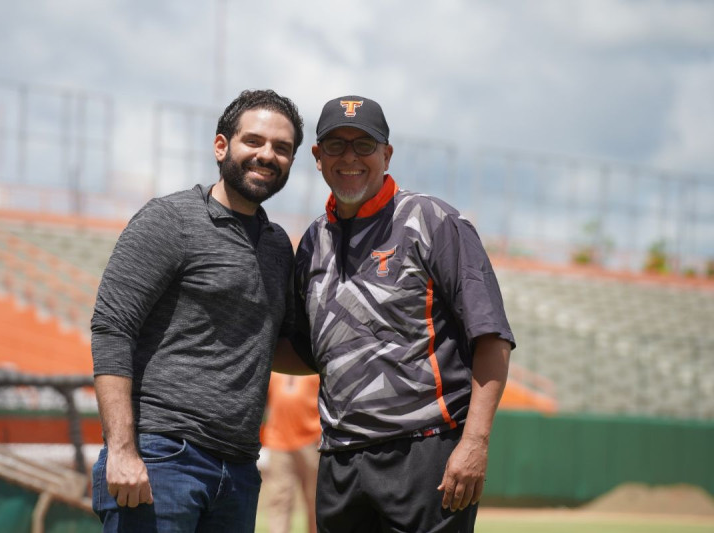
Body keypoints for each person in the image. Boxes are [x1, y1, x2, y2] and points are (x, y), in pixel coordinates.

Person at [275, 95, 515, 532]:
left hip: (423, 455)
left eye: (364, 145)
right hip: (340, 461)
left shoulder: (432, 220)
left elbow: (492, 337)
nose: (350, 157)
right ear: (316, 157)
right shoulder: (312, 241)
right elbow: (311, 352)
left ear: (386, 154)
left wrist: (475, 442)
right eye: (335, 145)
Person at [90, 89, 304, 532]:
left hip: (240, 470)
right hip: (162, 457)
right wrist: (123, 450)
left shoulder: (279, 245)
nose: (267, 155)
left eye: (282, 148)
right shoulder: (171, 220)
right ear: (221, 146)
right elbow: (112, 328)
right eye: (255, 141)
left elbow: (275, 347)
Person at [261, 373, 320, 533]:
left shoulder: (313, 360)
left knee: (316, 501)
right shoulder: (274, 364)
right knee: (278, 500)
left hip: (312, 440)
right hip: (278, 440)